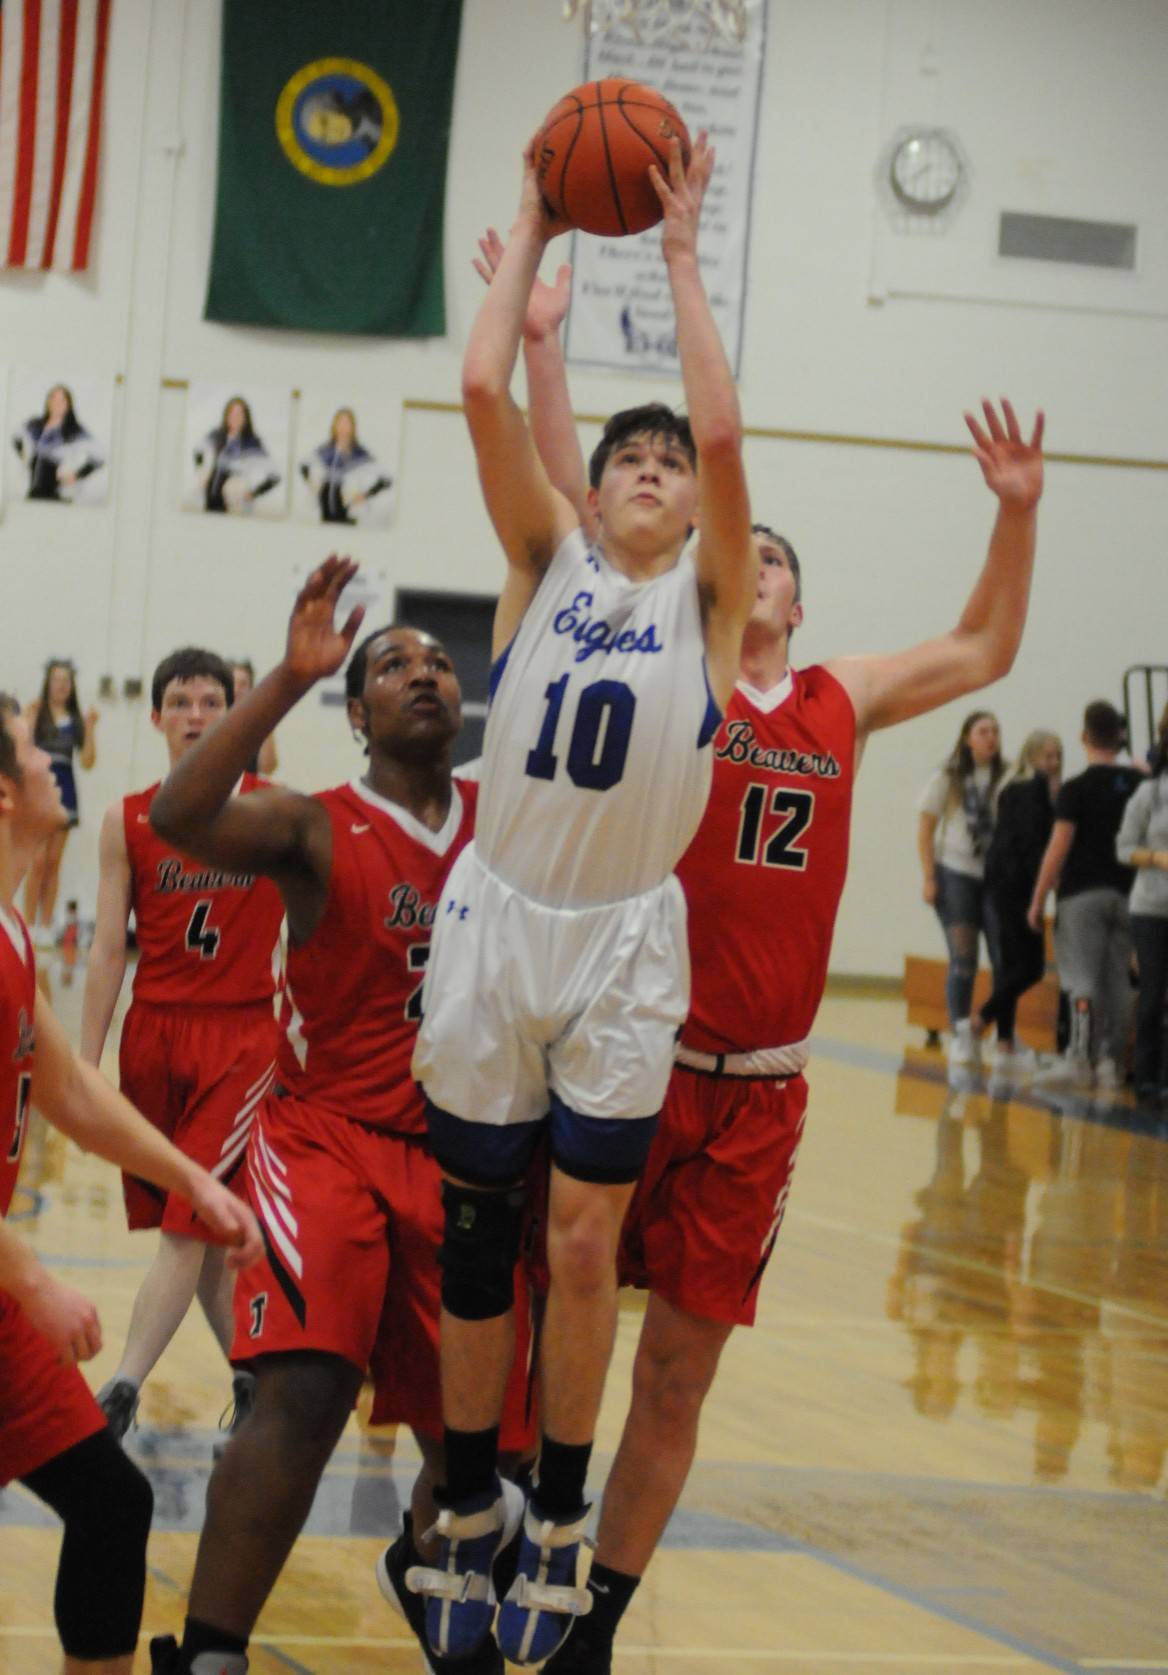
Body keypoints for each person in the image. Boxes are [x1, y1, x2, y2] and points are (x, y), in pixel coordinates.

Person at [476, 230, 1044, 1671]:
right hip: (631, 1047)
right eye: (754, 550)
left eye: (780, 557)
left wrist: (1017, 513)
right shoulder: (675, 651)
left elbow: (984, 648)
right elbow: (577, 509)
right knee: (556, 1308)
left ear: (799, 599)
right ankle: (503, 1527)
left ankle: (595, 1623)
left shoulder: (842, 697)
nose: (762, 562)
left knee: (679, 1374)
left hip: (760, 1086)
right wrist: (542, 343)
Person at [404, 129, 755, 1671]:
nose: (655, 468)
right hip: (498, 915)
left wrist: (678, 256)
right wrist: (536, 222)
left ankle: (557, 1509)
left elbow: (724, 433)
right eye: (628, 457)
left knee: (586, 1241)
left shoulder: (711, 602)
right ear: (593, 490)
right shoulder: (544, 560)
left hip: (622, 936)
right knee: (478, 1237)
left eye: (670, 462)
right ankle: (468, 1497)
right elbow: (483, 386)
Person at [144, 558, 535, 1675]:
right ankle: (209, 1653)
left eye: (440, 662)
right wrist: (284, 677)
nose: (424, 673)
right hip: (326, 1142)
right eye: (393, 664)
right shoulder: (314, 825)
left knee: (486, 1450)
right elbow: (179, 815)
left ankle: (424, 1566)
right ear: (357, 714)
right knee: (306, 1390)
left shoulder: (508, 826)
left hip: (466, 1152)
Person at [0, 691, 262, 1675]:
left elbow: (68, 1087)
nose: (51, 759)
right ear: (3, 793)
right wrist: (34, 1280)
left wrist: (194, 1175)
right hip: (7, 1283)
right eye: (32, 749)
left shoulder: (14, 930)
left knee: (113, 1501)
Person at [79, 649, 284, 1440]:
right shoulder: (127, 818)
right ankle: (257, 1386)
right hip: (154, 1039)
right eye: (180, 701)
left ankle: (121, 1388)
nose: (196, 715)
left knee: (187, 1223)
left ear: (235, 714)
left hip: (241, 1039)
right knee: (195, 1230)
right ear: (156, 716)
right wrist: (86, 1064)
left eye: (211, 701)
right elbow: (107, 949)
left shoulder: (274, 812)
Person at [1029, 700, 1144, 1091]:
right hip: (1129, 893)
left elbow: (1058, 846)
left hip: (1081, 894)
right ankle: (1111, 1062)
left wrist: (1038, 898)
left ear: (1084, 737)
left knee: (1082, 979)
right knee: (1118, 981)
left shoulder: (1076, 788)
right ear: (1120, 737)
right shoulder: (1139, 784)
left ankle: (1080, 1057)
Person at [917, 711, 1007, 1068]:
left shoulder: (1009, 776)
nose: (991, 737)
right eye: (983, 731)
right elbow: (925, 828)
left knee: (1003, 958)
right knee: (964, 958)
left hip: (996, 875)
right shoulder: (949, 776)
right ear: (968, 738)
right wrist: (929, 877)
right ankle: (960, 1033)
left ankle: (1002, 1034)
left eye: (995, 731)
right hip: (956, 872)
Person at [974, 729, 1063, 1080]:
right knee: (1030, 967)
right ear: (1032, 757)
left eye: (1058, 756)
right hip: (1016, 886)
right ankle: (981, 1020)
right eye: (1048, 756)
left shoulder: (1014, 787)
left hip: (1005, 883)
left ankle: (1004, 1042)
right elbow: (1031, 844)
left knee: (1012, 965)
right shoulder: (1032, 790)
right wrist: (1040, 892)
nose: (1054, 763)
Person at [23, 659, 98, 946]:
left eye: (67, 680)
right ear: (48, 682)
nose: (62, 685)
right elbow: (22, 752)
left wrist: (90, 728)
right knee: (38, 861)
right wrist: (28, 721)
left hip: (66, 791)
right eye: (57, 679)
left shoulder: (76, 719)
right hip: (40, 789)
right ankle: (27, 925)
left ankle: (44, 925)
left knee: (54, 861)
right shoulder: (37, 712)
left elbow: (88, 762)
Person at [1115, 711, 1168, 1105]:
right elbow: (1124, 848)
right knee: (1152, 996)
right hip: (1151, 907)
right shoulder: (1151, 793)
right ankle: (1146, 1080)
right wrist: (1156, 858)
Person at [299, 406, 394, 525]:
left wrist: (366, 495)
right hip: (324, 515)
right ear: (334, 426)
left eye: (347, 423)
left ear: (353, 427)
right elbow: (303, 466)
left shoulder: (361, 455)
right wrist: (312, 483)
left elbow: (386, 480)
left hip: (348, 515)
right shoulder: (325, 451)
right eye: (340, 422)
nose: (343, 427)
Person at [12, 384, 105, 502]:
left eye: (61, 400)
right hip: (33, 492)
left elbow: (99, 457)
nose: (56, 403)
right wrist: (23, 455)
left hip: (58, 496)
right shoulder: (34, 425)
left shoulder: (75, 431)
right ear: (48, 401)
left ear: (68, 404)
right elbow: (16, 435)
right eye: (53, 398)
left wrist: (77, 475)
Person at [193, 397, 280, 514]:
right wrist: (201, 474)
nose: (235, 418)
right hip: (210, 501)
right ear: (226, 415)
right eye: (232, 413)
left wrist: (253, 494)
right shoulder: (217, 435)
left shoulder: (252, 443)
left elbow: (275, 476)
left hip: (235, 505)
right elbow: (198, 450)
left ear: (246, 417)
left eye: (239, 414)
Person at [230, 660, 279, 776]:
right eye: (233, 683)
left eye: (243, 684)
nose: (237, 689)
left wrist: (266, 718)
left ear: (251, 690)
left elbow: (268, 767)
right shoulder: (211, 720)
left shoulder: (256, 723)